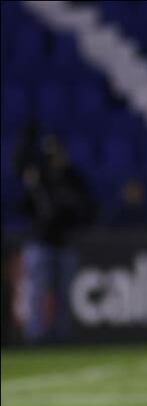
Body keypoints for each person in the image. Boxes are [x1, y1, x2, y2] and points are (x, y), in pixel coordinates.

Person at [16, 128, 96, 342]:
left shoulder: (72, 177)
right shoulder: (39, 181)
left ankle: (62, 339)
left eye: (56, 154)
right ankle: (35, 338)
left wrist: (65, 205)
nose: (54, 159)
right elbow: (24, 208)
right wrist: (31, 189)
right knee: (37, 294)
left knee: (64, 295)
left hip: (64, 243)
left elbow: (86, 207)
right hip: (41, 243)